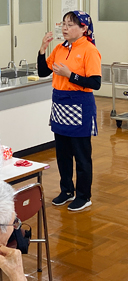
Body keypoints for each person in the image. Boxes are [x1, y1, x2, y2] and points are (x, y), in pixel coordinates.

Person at [38, 11, 101, 212]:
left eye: (71, 24)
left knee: (81, 155)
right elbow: (42, 72)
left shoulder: (90, 50)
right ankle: (66, 190)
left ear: (83, 28)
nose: (65, 28)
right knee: (62, 154)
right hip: (60, 105)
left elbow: (95, 83)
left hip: (80, 106)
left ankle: (84, 195)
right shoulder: (59, 48)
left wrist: (70, 75)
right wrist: (42, 50)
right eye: (64, 24)